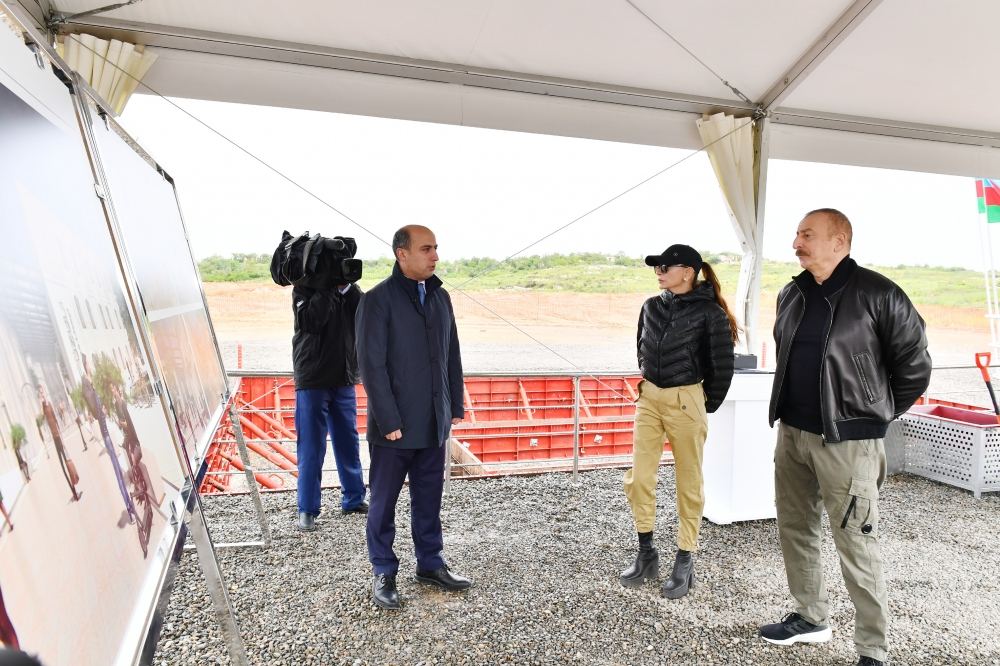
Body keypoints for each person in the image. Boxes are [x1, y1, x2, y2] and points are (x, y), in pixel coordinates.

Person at [758, 209, 931, 666]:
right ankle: (810, 618)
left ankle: (873, 649)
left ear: (840, 240)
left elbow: (915, 365)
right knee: (795, 528)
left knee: (855, 541)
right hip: (792, 434)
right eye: (797, 234)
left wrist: (875, 414)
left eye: (807, 235)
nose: (797, 242)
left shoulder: (880, 294)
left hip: (848, 442)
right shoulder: (791, 293)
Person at [356, 224, 470, 610]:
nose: (435, 256)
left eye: (436, 248)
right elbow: (371, 366)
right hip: (394, 428)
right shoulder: (377, 301)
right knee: (383, 502)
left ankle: (430, 563)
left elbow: (450, 355)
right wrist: (387, 420)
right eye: (426, 249)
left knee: (429, 498)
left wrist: (454, 406)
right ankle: (383, 570)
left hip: (433, 423)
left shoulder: (441, 298)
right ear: (401, 254)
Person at [620, 244, 737, 598]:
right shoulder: (651, 306)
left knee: (688, 482)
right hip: (649, 398)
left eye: (665, 267)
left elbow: (721, 368)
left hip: (687, 401)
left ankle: (685, 558)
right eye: (655, 266)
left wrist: (700, 404)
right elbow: (641, 346)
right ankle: (646, 551)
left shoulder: (710, 315)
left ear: (688, 271)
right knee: (640, 477)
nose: (658, 271)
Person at [291, 270, 368, 531]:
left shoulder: (351, 294)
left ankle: (354, 498)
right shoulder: (303, 289)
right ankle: (308, 509)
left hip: (344, 378)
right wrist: (326, 288)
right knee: (311, 447)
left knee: (349, 440)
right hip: (312, 379)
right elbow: (311, 321)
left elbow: (365, 314)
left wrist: (346, 286)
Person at [81, 354, 137, 525]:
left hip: (107, 432)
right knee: (118, 474)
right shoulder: (87, 386)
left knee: (119, 471)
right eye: (89, 363)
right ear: (86, 365)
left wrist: (104, 410)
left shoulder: (91, 386)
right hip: (105, 435)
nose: (91, 365)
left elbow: (99, 410)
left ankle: (131, 505)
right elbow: (95, 410)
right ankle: (130, 510)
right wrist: (101, 412)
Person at [38, 385, 81, 502]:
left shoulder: (50, 404)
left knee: (67, 461)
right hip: (54, 438)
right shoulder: (42, 407)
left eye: (43, 392)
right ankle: (73, 491)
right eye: (40, 393)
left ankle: (74, 487)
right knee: (62, 466)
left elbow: (56, 421)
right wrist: (40, 402)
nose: (42, 394)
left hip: (59, 437)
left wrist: (62, 437)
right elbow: (42, 418)